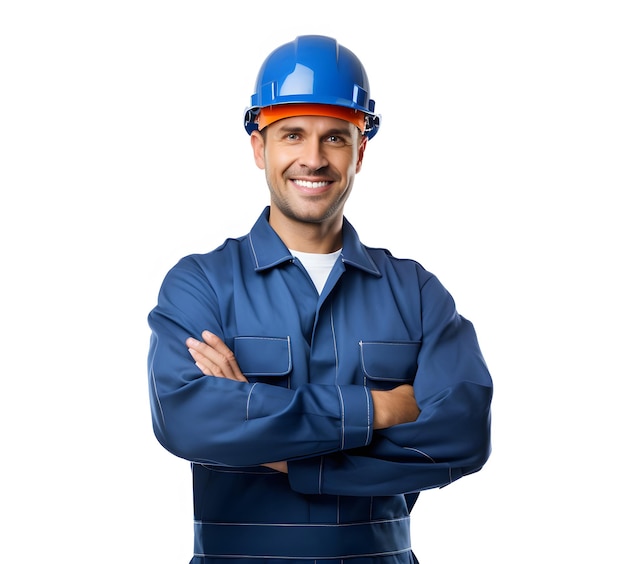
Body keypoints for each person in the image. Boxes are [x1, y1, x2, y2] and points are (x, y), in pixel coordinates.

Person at [147, 34, 493, 564]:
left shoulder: (416, 292)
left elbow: (462, 435)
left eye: (335, 137)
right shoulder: (202, 284)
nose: (313, 159)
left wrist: (283, 450)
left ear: (361, 151)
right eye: (292, 135)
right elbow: (188, 420)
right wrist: (380, 408)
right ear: (259, 147)